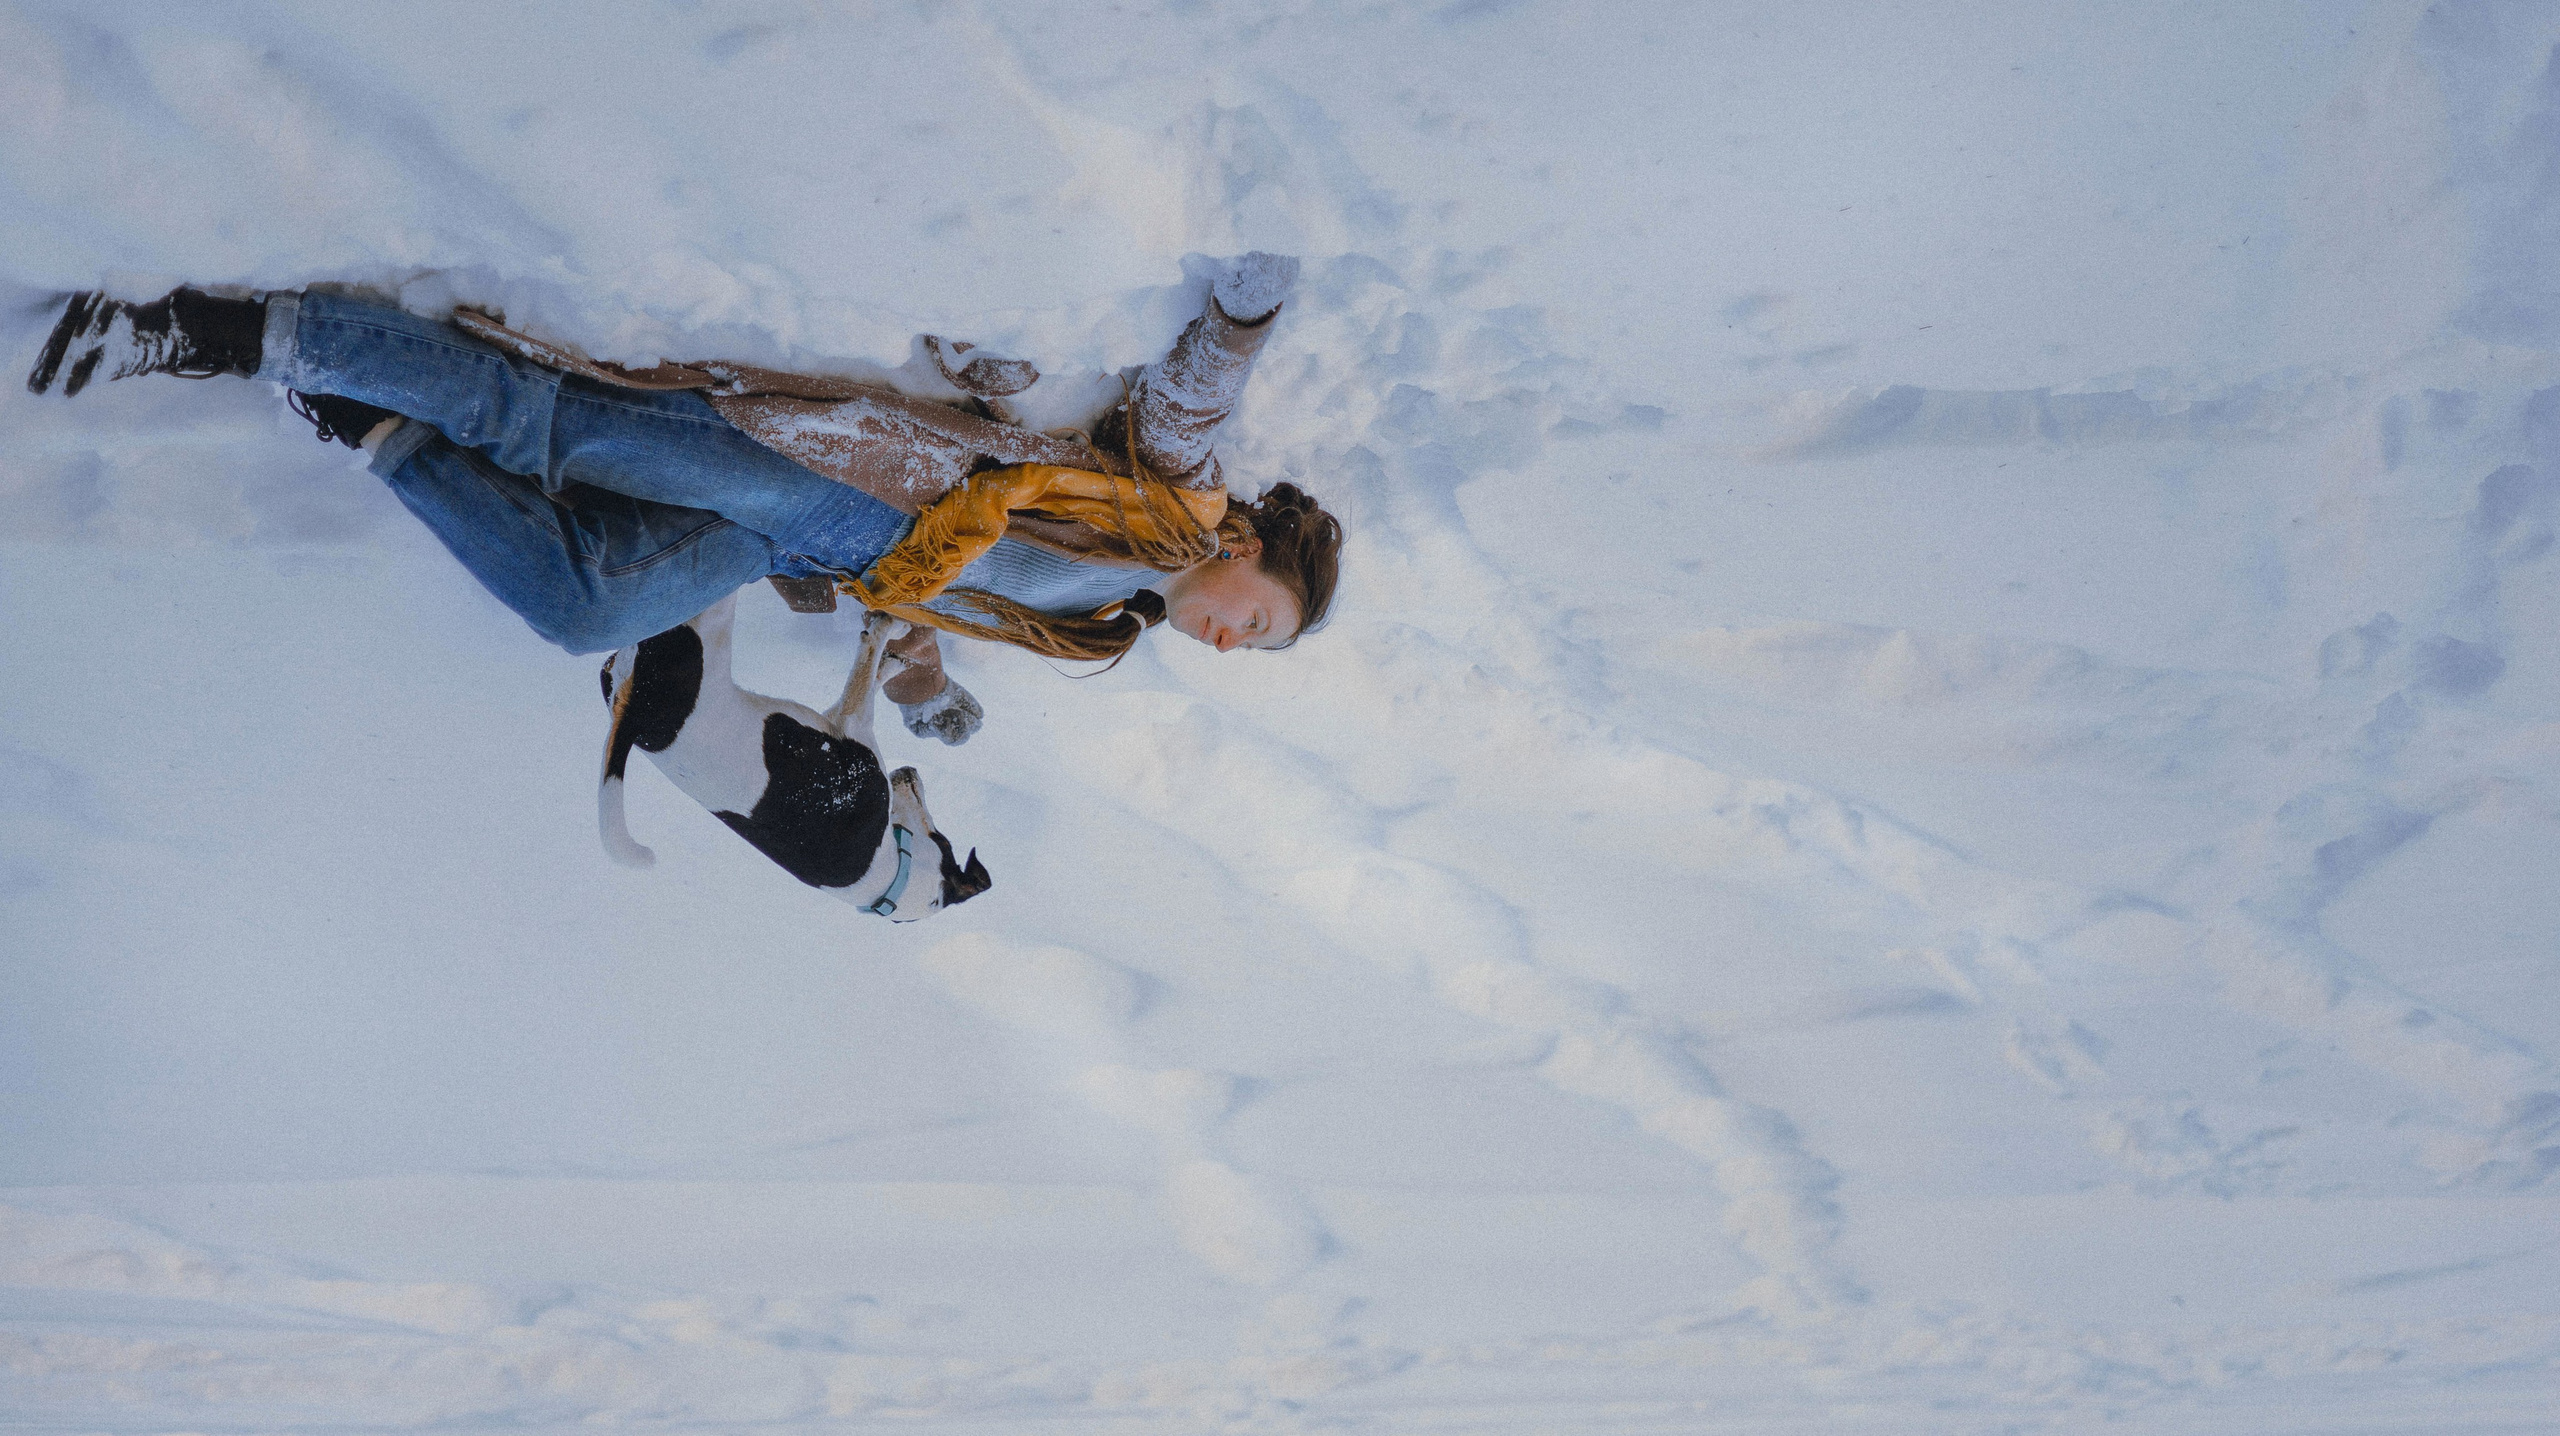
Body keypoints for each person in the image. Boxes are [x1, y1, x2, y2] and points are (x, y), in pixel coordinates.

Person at [25, 256, 1342, 746]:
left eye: (1254, 652)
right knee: (544, 422)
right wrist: (1242, 315)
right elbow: (1180, 406)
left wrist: (922, 682)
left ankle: (370, 421)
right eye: (1264, 619)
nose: (1237, 641)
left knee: (582, 602)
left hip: (791, 541)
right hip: (823, 471)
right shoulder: (1174, 509)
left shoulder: (1102, 619)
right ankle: (229, 330)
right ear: (1256, 553)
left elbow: (926, 580)